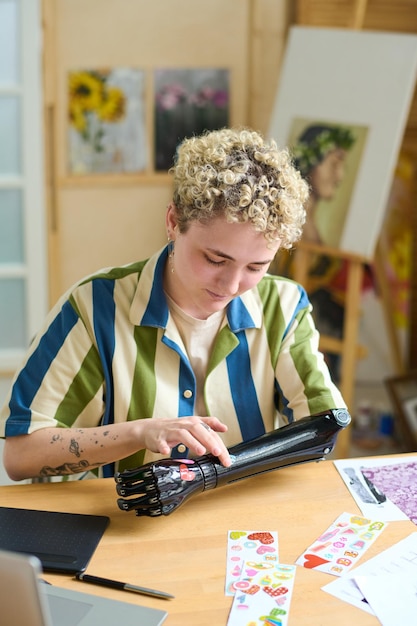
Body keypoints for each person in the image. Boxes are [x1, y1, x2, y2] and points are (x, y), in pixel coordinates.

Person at [0, 127, 346, 482]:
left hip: (242, 522)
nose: (231, 286)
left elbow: (323, 424)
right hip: (124, 522)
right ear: (172, 222)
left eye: (256, 267)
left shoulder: (284, 306)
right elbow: (21, 454)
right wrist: (139, 434)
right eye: (215, 259)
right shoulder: (93, 308)